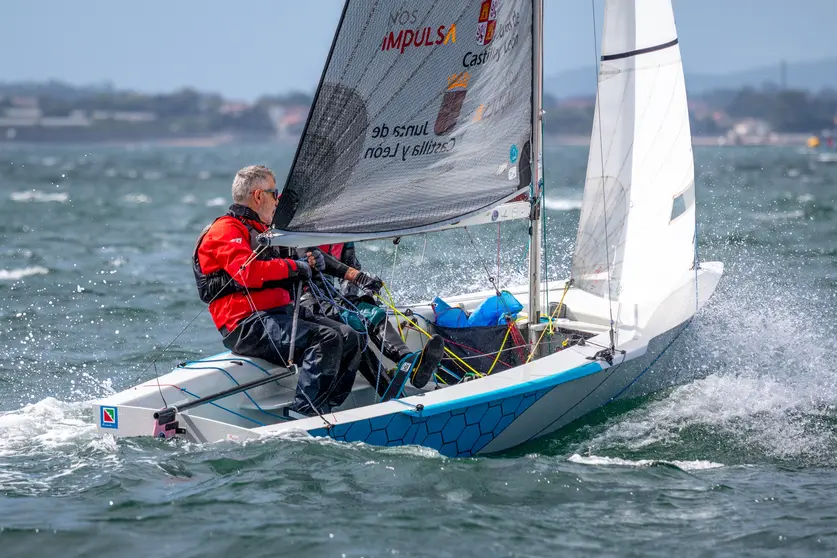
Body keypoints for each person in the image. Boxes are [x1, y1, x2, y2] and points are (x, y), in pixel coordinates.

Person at [192, 165, 361, 416]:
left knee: (350, 336)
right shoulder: (226, 230)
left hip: (278, 315)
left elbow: (292, 264)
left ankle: (328, 407)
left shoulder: (264, 232)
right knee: (326, 338)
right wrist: (294, 267)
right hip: (245, 325)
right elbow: (246, 272)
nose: (277, 201)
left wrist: (312, 264)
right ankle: (305, 411)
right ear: (258, 196)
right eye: (274, 193)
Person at [301, 242, 445, 399]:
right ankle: (390, 385)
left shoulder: (342, 236)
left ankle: (408, 362)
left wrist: (355, 294)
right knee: (356, 332)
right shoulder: (300, 237)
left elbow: (351, 267)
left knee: (373, 312)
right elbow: (313, 256)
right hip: (307, 303)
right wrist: (359, 280)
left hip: (333, 298)